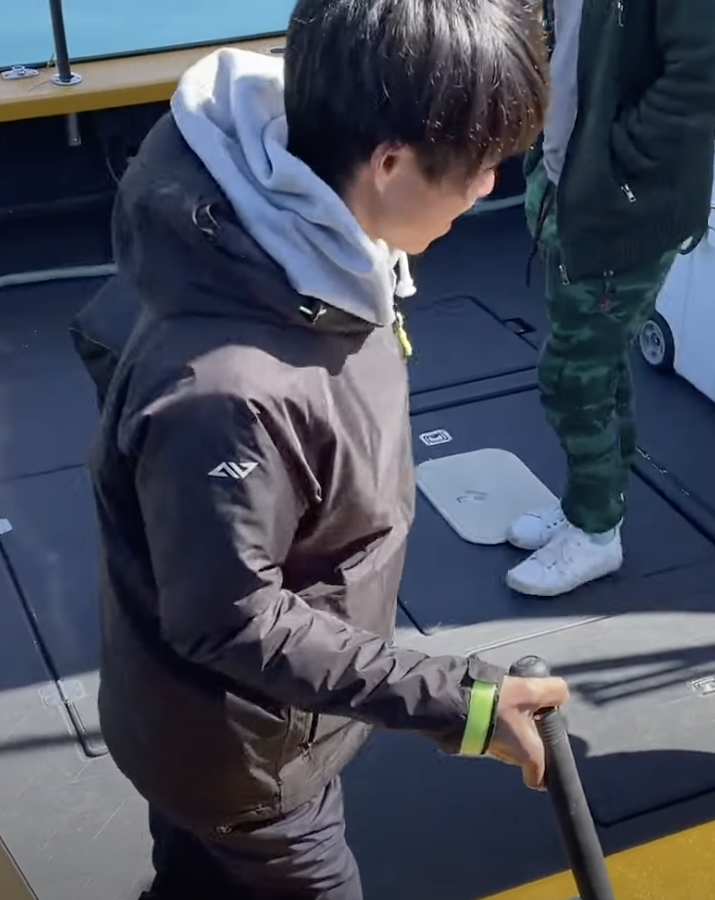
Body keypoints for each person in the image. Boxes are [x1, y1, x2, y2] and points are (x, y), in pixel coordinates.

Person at [78, 0, 570, 895]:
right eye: (480, 167)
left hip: (203, 730)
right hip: (243, 766)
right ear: (390, 163)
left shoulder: (303, 235)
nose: (488, 187)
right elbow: (232, 620)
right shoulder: (229, 396)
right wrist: (463, 706)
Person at [502, 0, 715, 597]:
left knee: (573, 377)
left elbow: (702, 79)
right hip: (565, 187)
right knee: (598, 364)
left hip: (616, 204)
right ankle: (590, 503)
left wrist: (615, 167)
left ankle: (594, 534)